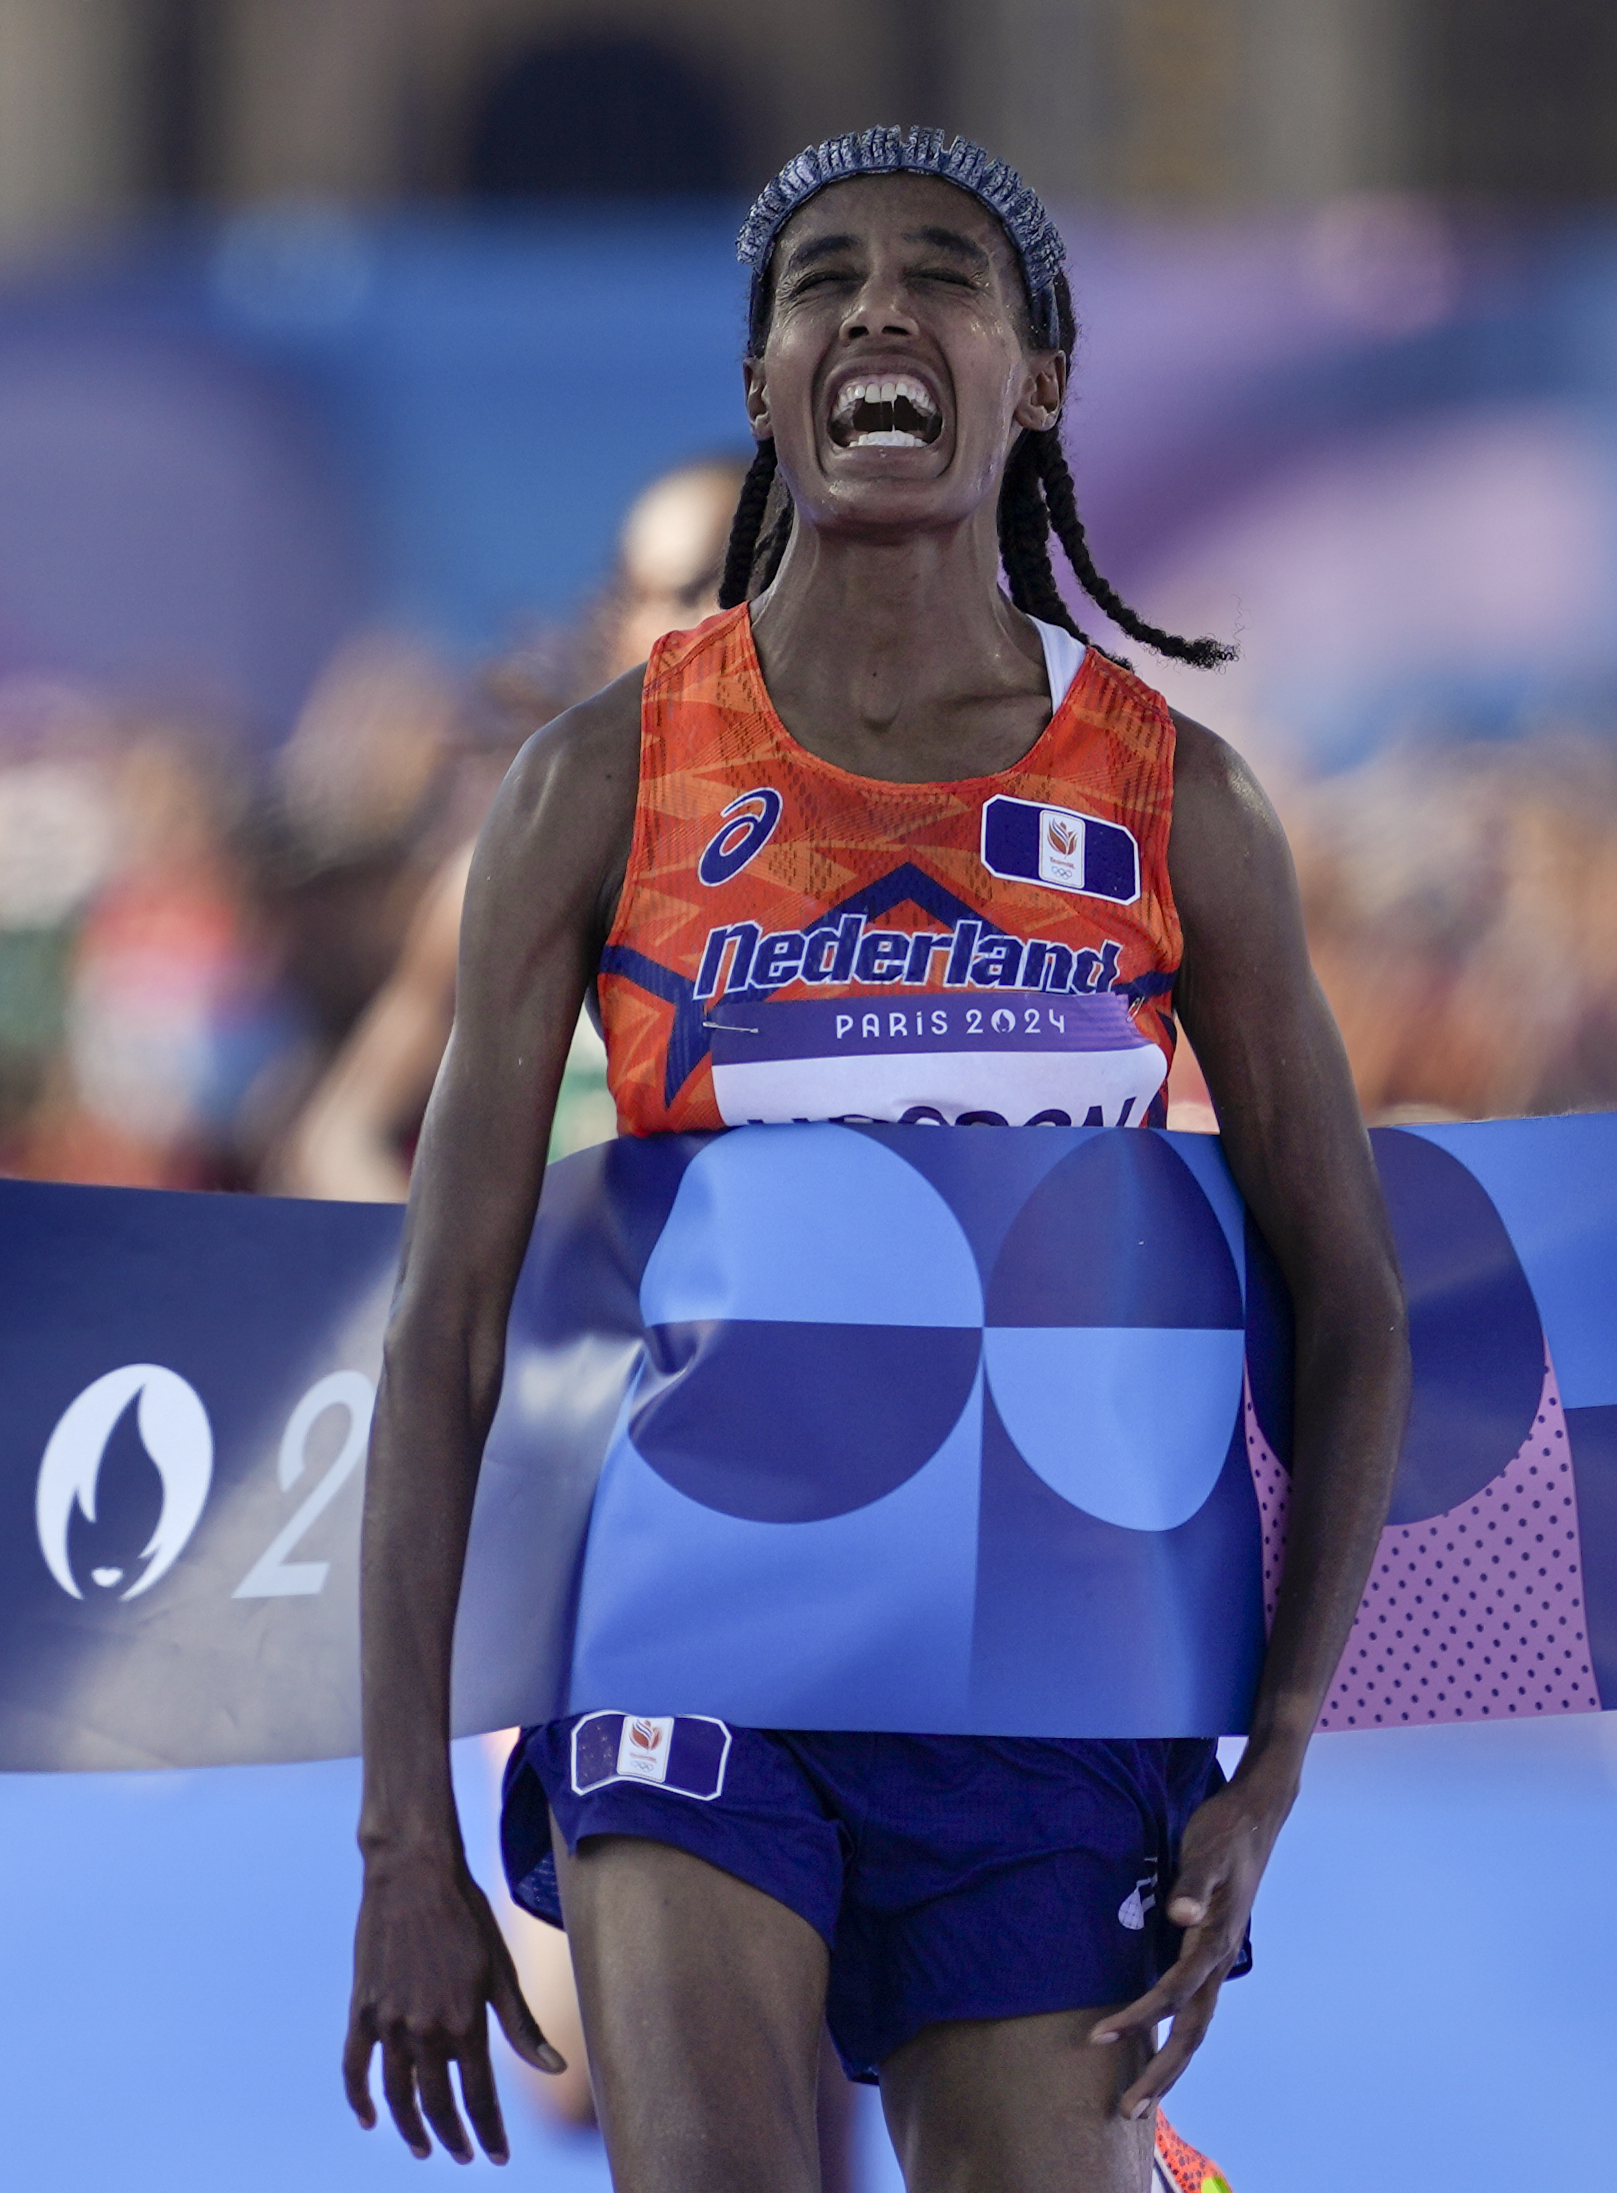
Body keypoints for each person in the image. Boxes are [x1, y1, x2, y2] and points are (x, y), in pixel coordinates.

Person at [340, 127, 1410, 2193]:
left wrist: (1265, 1762)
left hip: (1048, 1685)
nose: (877, 310)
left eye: (943, 275)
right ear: (764, 382)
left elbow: (1349, 1304)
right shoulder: (599, 777)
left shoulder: (1176, 800)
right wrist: (401, 1829)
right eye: (820, 282)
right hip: (683, 1641)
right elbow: (443, 1322)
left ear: (1038, 376)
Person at [275, 458, 739, 1205]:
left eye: (700, 583)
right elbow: (337, 1134)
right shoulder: (509, 876)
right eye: (634, 591)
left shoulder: (866, 876)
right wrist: (458, 1288)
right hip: (556, 1322)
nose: (667, 625)